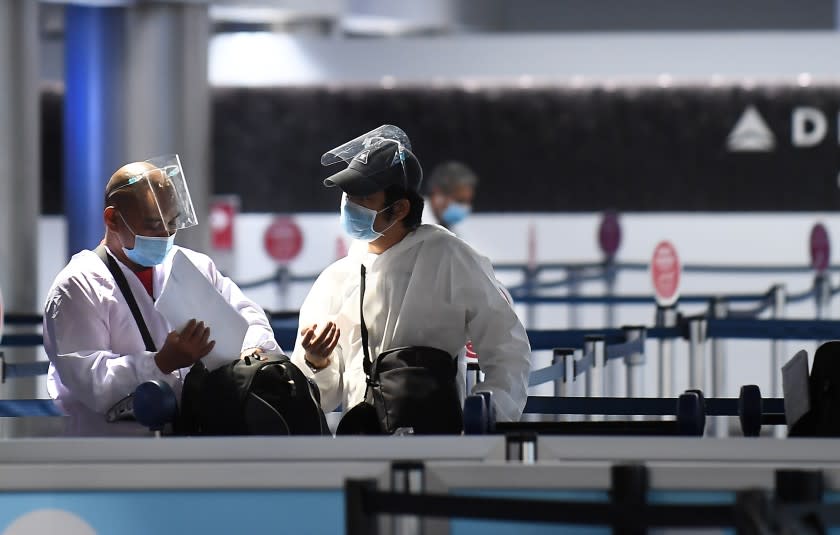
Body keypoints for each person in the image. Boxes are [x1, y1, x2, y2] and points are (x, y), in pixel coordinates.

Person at [291, 126, 530, 424]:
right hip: (361, 444)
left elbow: (508, 350)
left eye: (363, 197)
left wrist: (486, 415)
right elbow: (325, 398)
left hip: (435, 445)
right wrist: (317, 361)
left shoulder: (448, 257)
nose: (350, 205)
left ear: (400, 208)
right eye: (347, 195)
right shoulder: (337, 279)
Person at [43, 155, 279, 436]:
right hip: (109, 452)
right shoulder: (77, 286)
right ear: (113, 219)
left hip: (193, 438)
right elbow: (90, 380)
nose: (166, 235)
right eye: (154, 225)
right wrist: (161, 362)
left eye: (172, 223)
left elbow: (249, 317)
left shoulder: (192, 266)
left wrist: (251, 350)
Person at [421, 161, 478, 231]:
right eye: (460, 201)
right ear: (438, 193)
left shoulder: (451, 230)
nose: (465, 207)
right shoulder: (411, 225)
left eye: (468, 201)